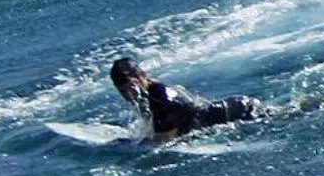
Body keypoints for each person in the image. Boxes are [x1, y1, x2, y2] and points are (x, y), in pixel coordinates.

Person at [109, 56, 265, 142]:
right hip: (233, 108)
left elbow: (162, 141)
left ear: (143, 76)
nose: (130, 93)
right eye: (123, 90)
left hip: (240, 113)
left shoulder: (160, 100)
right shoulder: (150, 92)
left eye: (132, 86)